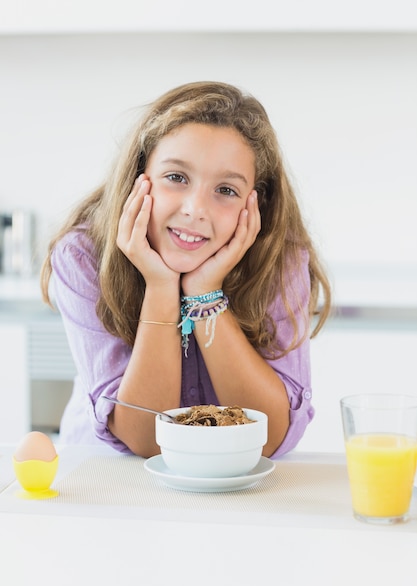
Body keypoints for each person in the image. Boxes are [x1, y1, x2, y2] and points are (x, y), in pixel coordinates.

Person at [40, 81, 331, 459]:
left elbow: (269, 437)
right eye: (176, 177)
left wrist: (204, 292)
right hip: (108, 477)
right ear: (138, 178)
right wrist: (161, 287)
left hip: (236, 484)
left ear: (253, 204)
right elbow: (147, 440)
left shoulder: (279, 258)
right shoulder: (82, 256)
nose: (195, 209)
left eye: (226, 190)